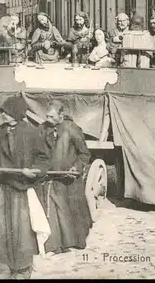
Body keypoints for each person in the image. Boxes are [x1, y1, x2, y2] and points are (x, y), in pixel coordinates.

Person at [0, 95, 50, 279]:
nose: (2, 114)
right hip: (2, 186)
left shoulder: (31, 132)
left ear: (16, 112)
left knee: (22, 230)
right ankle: (13, 268)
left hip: (21, 188)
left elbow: (43, 159)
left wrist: (34, 171)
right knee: (4, 230)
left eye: (6, 111)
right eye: (2, 111)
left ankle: (24, 268)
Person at [35, 100, 92, 257]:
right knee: (53, 211)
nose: (49, 119)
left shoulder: (72, 129)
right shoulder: (42, 129)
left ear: (61, 115)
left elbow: (84, 154)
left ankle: (74, 240)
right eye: (47, 116)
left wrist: (77, 167)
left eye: (52, 117)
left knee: (71, 211)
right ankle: (55, 245)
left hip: (69, 180)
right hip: (50, 178)